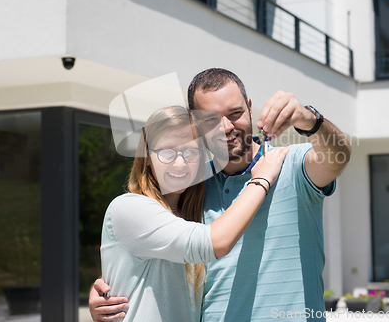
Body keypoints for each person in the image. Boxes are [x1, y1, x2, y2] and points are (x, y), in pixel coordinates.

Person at [91, 69, 351, 322]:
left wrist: (311, 121)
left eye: (235, 113)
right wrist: (114, 287)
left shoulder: (290, 163)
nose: (226, 127)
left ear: (250, 107)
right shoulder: (191, 185)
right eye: (210, 120)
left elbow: (338, 157)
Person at [99, 105, 290, 321]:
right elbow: (216, 242)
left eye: (191, 152)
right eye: (167, 152)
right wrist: (261, 179)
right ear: (147, 157)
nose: (180, 164)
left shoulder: (191, 215)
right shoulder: (129, 208)